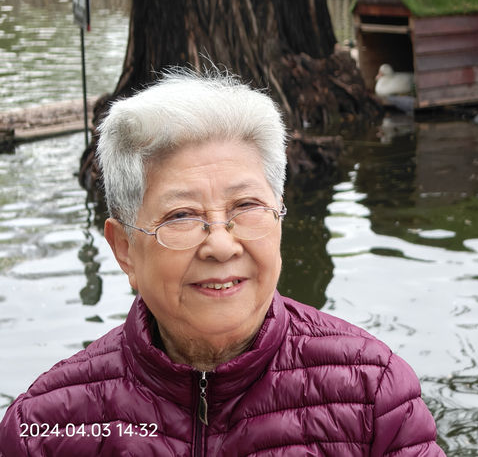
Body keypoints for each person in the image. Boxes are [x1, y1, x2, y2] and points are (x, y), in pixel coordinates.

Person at [0, 69, 447, 456]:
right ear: (124, 250)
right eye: (181, 215)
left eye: (247, 206)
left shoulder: (374, 396)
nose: (220, 244)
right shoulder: (43, 429)